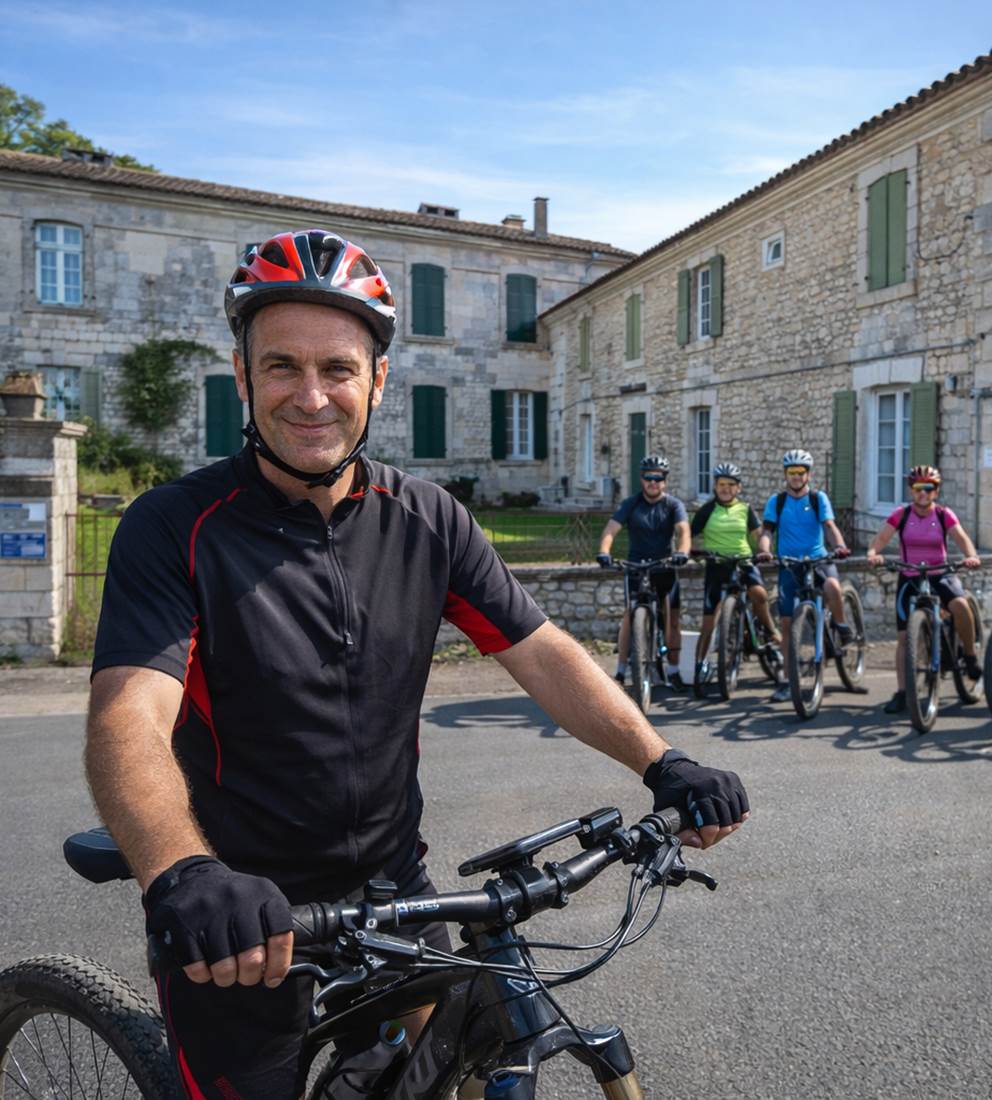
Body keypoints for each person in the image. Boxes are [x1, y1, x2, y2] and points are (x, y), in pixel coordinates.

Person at [83, 229, 748, 1099]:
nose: (311, 396)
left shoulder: (428, 517)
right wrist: (182, 870)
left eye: (339, 369)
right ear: (243, 378)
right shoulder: (176, 527)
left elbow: (542, 651)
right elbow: (128, 716)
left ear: (378, 381)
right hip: (242, 915)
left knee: (436, 1067)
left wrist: (663, 762)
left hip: (398, 889)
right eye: (282, 367)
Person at [866, 465, 981, 714]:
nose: (923, 494)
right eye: (918, 488)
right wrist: (873, 554)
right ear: (911, 490)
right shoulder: (901, 514)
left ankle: (970, 656)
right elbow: (881, 539)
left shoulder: (943, 515)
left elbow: (961, 539)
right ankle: (902, 692)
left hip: (940, 573)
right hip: (910, 576)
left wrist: (971, 556)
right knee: (903, 637)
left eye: (929, 488)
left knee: (960, 604)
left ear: (936, 492)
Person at [755, 448, 852, 704]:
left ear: (808, 474)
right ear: (786, 474)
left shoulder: (819, 499)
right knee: (787, 625)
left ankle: (841, 626)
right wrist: (764, 551)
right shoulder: (777, 501)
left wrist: (839, 546)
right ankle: (787, 681)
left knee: (832, 585)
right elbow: (766, 531)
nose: (796, 477)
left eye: (801, 472)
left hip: (817, 559)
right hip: (789, 565)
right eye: (792, 472)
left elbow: (829, 527)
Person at [597, 455, 691, 688]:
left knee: (672, 618)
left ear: (665, 481)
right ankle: (619, 671)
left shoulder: (673, 505)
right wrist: (604, 551)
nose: (653, 482)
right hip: (636, 567)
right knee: (629, 615)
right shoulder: (631, 503)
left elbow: (684, 531)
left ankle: (674, 669)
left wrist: (682, 552)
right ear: (642, 479)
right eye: (649, 477)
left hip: (665, 566)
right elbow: (611, 529)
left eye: (658, 478)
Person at [690, 462, 780, 680]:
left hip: (743, 561)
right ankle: (699, 665)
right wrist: (689, 551)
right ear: (715, 486)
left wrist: (763, 551)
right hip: (717, 564)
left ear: (738, 488)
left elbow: (758, 536)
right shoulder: (708, 509)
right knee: (709, 621)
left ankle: (769, 629)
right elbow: (688, 534)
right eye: (722, 484)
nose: (726, 488)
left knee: (759, 593)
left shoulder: (745, 509)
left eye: (731, 484)